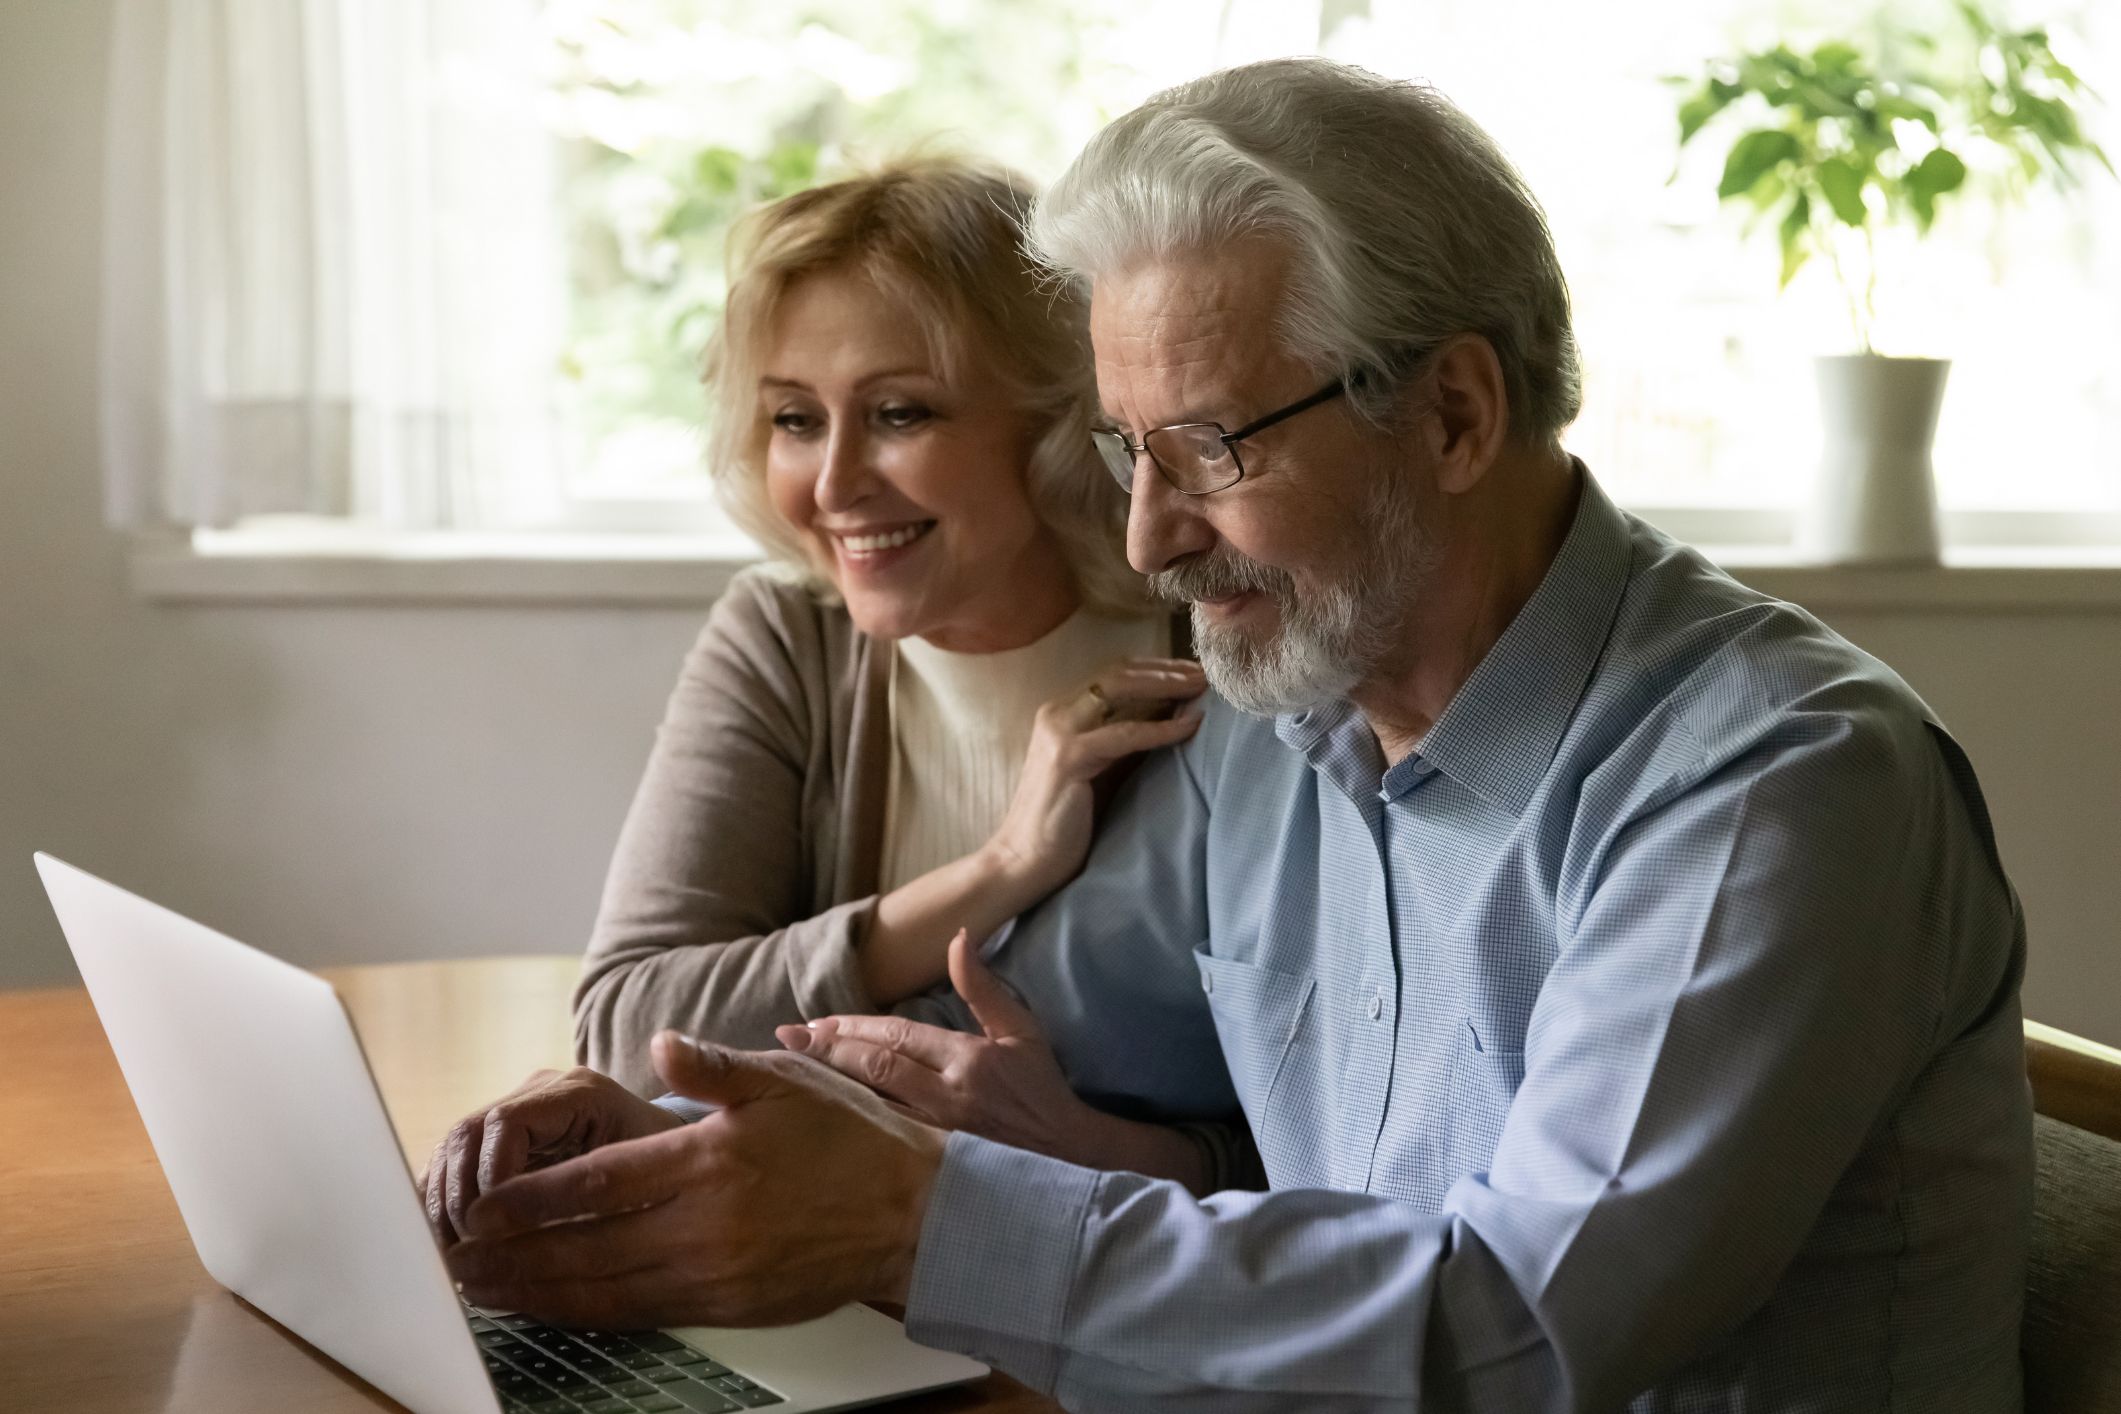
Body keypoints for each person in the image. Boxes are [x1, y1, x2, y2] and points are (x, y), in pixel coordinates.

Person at [432, 60, 2033, 1412]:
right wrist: (671, 1144)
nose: (1144, 543)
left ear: (1457, 413)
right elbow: (1009, 1071)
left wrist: (917, 1223)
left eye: (1204, 448)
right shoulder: (1279, 722)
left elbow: (1527, 1327)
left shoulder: (1776, 783)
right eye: (1127, 449)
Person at [418, 158, 1235, 1243]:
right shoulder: (786, 635)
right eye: (796, 420)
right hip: (839, 1266)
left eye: (900, 411)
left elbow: (1303, 1132)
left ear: (1052, 425)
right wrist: (994, 873)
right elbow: (626, 1026)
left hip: (1124, 1272)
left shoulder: (1223, 643)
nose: (836, 481)